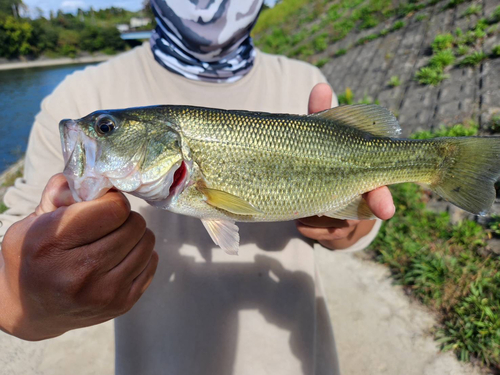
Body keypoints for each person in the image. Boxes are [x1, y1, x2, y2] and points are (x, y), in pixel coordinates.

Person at [0, 1, 394, 374]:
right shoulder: (74, 96)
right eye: (107, 128)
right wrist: (23, 295)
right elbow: (12, 244)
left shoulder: (306, 81)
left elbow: (362, 212)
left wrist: (348, 223)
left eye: (106, 129)